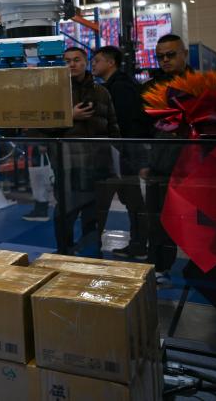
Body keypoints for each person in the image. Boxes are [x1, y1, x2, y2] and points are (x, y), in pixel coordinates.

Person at [46, 46, 120, 254]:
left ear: (86, 62)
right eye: (67, 60)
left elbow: (113, 127)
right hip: (67, 166)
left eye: (77, 59)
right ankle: (64, 253)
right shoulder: (54, 93)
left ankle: (91, 256)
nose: (72, 64)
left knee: (94, 216)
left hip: (98, 165)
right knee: (65, 214)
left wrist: (118, 158)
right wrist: (69, 116)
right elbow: (41, 127)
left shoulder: (102, 92)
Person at [143, 33, 194, 286]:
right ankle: (159, 266)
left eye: (171, 55)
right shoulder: (150, 89)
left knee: (198, 221)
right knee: (158, 220)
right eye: (160, 56)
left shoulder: (202, 87)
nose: (165, 60)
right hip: (160, 166)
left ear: (185, 54)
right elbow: (139, 129)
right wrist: (143, 162)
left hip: (194, 167)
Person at [92, 45, 150, 259]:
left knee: (104, 203)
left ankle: (94, 248)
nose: (93, 65)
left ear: (111, 63)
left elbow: (121, 123)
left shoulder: (120, 88)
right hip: (122, 154)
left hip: (120, 155)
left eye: (97, 60)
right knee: (133, 203)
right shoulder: (117, 85)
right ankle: (138, 245)